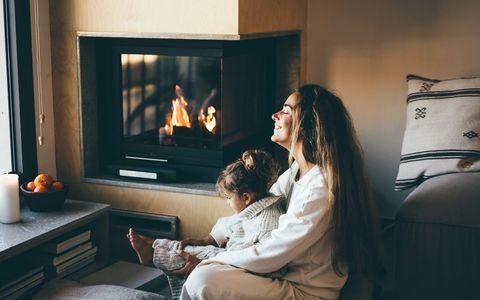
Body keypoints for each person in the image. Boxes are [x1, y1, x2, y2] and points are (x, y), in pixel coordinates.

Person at [177, 84, 384, 299]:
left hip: (304, 291)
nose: (274, 115)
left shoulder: (320, 188)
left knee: (203, 279)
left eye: (285, 111)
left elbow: (272, 254)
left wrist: (214, 258)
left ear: (307, 125)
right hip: (280, 275)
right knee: (203, 269)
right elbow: (257, 208)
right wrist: (211, 239)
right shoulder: (297, 171)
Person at [127, 149, 286, 300]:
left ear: (246, 197)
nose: (227, 202)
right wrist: (206, 240)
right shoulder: (258, 205)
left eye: (229, 198)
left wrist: (216, 261)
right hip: (230, 254)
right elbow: (229, 223)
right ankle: (157, 244)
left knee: (190, 254)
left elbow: (265, 260)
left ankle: (154, 255)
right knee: (194, 248)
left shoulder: (269, 222)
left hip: (240, 267)